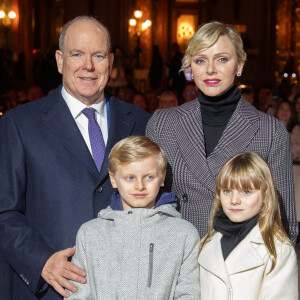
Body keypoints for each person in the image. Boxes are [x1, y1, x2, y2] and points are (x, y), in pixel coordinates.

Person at [0, 16, 150, 300]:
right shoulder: (19, 125)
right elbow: (4, 212)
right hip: (50, 292)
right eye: (77, 54)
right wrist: (41, 262)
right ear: (59, 60)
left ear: (111, 61)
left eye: (98, 55)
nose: (88, 66)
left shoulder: (142, 123)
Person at [146, 21, 298, 243]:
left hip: (240, 266)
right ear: (191, 67)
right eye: (200, 60)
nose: (210, 69)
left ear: (240, 65)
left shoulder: (270, 131)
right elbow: (144, 205)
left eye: (222, 59)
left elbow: (284, 223)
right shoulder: (163, 124)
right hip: (176, 262)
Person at [65, 136, 200, 299]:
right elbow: (78, 294)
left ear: (162, 178)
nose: (140, 186)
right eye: (130, 178)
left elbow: (189, 293)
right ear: (113, 179)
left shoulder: (183, 234)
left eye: (149, 177)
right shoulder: (90, 233)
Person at [198, 152, 298, 299]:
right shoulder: (207, 241)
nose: (234, 200)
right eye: (227, 191)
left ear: (265, 196)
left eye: (246, 192)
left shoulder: (278, 250)